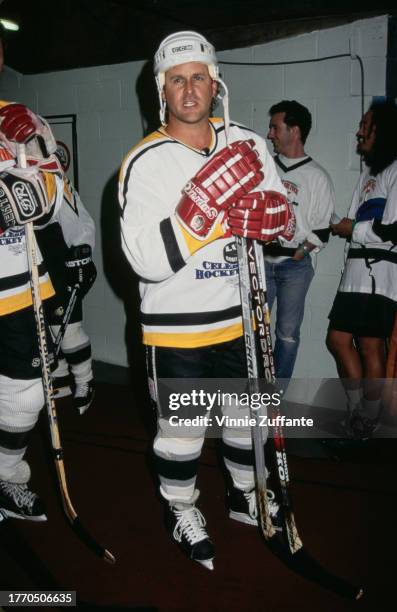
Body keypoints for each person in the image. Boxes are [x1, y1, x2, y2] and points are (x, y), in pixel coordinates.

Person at [118, 31, 294, 570]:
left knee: (246, 421)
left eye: (198, 77)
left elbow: (287, 219)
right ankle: (181, 508)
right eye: (177, 80)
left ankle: (244, 494)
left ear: (215, 83)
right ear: (161, 89)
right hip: (177, 329)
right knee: (183, 433)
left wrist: (277, 218)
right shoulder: (144, 161)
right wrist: (201, 212)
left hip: (242, 316)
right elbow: (144, 258)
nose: (189, 89)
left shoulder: (248, 141)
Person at [0, 86, 65, 521]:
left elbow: (57, 197)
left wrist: (36, 192)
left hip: (18, 282)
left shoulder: (22, 119)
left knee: (25, 398)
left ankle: (4, 477)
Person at [327, 100, 397, 438]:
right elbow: (354, 222)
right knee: (338, 340)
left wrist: (353, 230)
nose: (359, 132)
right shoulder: (369, 173)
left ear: (381, 132)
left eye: (365, 125)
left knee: (370, 345)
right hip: (357, 272)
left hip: (382, 275)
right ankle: (360, 410)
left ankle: (368, 418)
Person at [265, 100, 335, 381]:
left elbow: (323, 229)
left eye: (275, 127)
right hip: (262, 262)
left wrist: (302, 251)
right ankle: (251, 394)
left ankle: (274, 401)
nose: (270, 133)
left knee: (287, 334)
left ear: (294, 131)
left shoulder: (317, 176)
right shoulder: (266, 169)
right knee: (252, 332)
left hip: (294, 266)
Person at [35, 175, 97, 415]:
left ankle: (85, 380)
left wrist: (82, 248)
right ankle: (58, 377)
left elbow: (74, 210)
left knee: (67, 329)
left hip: (55, 252)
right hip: (21, 253)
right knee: (41, 326)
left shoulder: (49, 171)